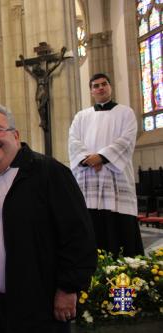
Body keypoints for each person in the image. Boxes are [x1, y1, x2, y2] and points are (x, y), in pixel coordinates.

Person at [0, 103, 97, 333]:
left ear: (15, 135)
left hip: (41, 304)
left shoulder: (49, 172)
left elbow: (79, 235)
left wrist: (68, 288)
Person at [68, 73, 144, 258]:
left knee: (118, 227)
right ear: (91, 91)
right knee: (90, 225)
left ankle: (123, 276)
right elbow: (73, 141)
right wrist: (89, 159)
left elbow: (126, 140)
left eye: (104, 84)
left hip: (115, 178)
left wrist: (101, 157)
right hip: (89, 178)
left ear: (110, 87)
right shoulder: (81, 116)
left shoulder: (125, 112)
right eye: (96, 85)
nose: (100, 88)